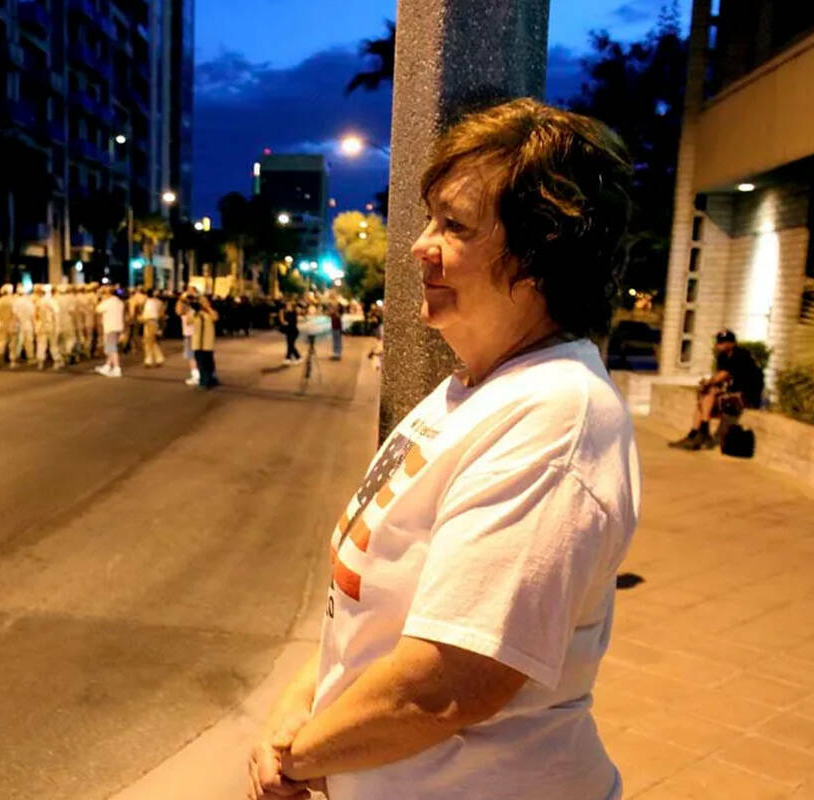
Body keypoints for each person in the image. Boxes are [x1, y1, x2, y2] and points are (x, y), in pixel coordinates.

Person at [248, 98, 638, 800]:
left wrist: (296, 760)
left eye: (455, 226)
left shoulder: (556, 418)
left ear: (542, 251)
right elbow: (367, 620)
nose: (420, 245)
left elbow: (447, 685)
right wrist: (295, 709)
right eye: (430, 219)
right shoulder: (467, 388)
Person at [670, 328, 765, 451]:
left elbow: (723, 375)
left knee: (709, 393)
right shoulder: (723, 357)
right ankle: (693, 436)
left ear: (733, 343)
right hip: (733, 395)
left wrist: (708, 384)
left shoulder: (740, 354)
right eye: (719, 342)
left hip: (746, 398)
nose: (721, 344)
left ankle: (704, 432)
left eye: (725, 342)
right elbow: (721, 380)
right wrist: (709, 386)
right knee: (703, 400)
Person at [189, 293, 219, 389]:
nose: (203, 303)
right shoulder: (196, 314)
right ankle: (203, 381)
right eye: (202, 302)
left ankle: (209, 380)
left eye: (205, 301)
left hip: (207, 343)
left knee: (208, 363)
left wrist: (208, 308)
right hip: (197, 343)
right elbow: (188, 321)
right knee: (200, 363)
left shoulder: (211, 313)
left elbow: (215, 318)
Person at [95, 286, 124, 378]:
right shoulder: (119, 302)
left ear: (107, 294)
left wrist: (101, 299)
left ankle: (117, 368)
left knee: (111, 349)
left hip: (110, 327)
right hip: (118, 327)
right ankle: (107, 366)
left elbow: (98, 309)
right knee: (111, 347)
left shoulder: (108, 302)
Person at [176, 289, 200, 385]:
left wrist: (182, 298)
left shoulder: (187, 310)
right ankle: (198, 375)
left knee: (191, 357)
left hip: (190, 335)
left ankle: (195, 377)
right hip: (194, 335)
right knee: (195, 357)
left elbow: (178, 310)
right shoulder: (193, 310)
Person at [140, 289, 166, 367]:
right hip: (150, 323)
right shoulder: (156, 302)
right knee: (151, 342)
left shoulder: (148, 302)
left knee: (149, 342)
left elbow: (161, 315)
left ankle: (149, 360)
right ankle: (158, 358)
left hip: (151, 323)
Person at [13, 284, 36, 365]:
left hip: (19, 325)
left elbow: (14, 315)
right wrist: (34, 326)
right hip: (28, 324)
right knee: (29, 342)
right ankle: (30, 358)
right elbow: (33, 316)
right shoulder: (29, 302)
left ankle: (14, 359)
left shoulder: (15, 302)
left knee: (18, 343)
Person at [0, 283, 16, 368]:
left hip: (1, 324)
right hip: (11, 324)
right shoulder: (12, 301)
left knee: (1, 342)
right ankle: (12, 361)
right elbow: (14, 314)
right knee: (12, 343)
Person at [280, 300, 301, 364]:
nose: (287, 306)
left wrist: (287, 323)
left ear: (292, 306)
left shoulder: (294, 312)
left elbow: (293, 322)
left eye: (289, 305)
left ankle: (294, 358)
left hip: (294, 332)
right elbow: (282, 321)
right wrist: (282, 315)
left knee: (290, 345)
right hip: (288, 331)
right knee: (290, 345)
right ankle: (290, 358)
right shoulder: (286, 312)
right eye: (286, 305)